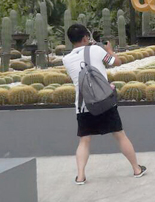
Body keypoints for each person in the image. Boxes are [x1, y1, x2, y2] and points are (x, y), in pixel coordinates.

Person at [62, 23, 146, 185]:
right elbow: (116, 62)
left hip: (83, 104)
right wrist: (109, 50)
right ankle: (136, 169)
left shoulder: (66, 59)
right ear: (85, 37)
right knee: (119, 134)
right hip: (104, 101)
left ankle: (80, 176)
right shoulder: (96, 50)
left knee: (84, 140)